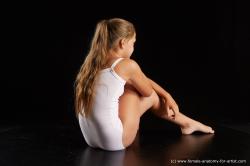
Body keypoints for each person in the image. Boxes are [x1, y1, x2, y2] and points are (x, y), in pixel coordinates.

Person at [74, 18, 214, 151]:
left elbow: (138, 78)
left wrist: (166, 94)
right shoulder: (127, 64)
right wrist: (166, 95)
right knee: (140, 92)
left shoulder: (90, 65)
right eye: (133, 43)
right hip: (115, 141)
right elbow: (147, 92)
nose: (133, 47)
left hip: (91, 140)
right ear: (123, 43)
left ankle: (188, 124)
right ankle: (188, 123)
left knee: (130, 85)